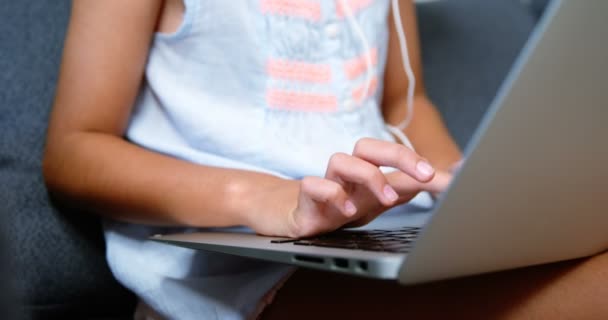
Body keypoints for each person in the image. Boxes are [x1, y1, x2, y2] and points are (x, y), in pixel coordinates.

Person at [43, 1, 607, 319]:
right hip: (234, 275)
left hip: (380, 239)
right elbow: (75, 148)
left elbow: (403, 105)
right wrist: (266, 198)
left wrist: (460, 188)